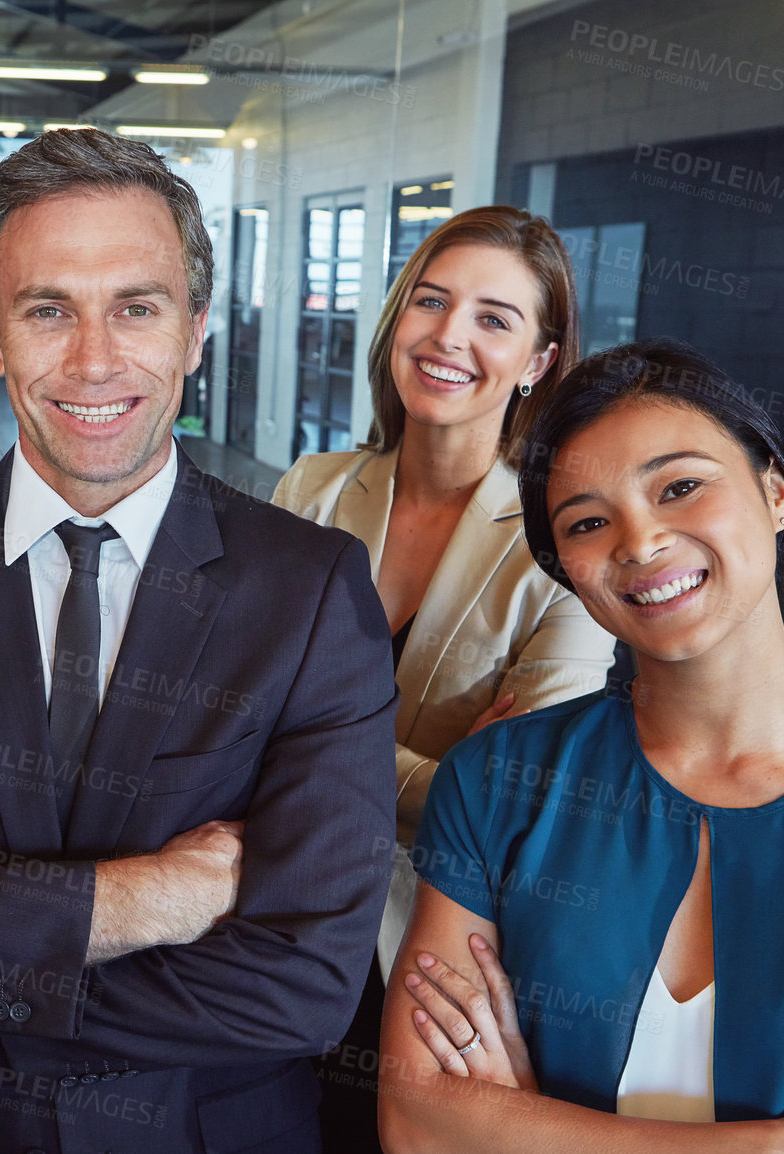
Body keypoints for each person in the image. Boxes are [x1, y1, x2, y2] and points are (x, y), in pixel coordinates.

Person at [0, 127, 398, 1153]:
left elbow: (307, 983)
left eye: (136, 307)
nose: (95, 360)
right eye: (48, 310)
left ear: (194, 331)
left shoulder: (310, 589)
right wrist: (148, 896)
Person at [379, 339, 784, 1152]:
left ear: (776, 491)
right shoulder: (495, 782)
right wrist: (777, 1147)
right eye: (587, 521)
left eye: (679, 486)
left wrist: (522, 1127)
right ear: (567, 571)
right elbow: (418, 1124)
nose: (640, 542)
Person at [272, 205, 615, 1145]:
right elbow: (232, 725)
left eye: (494, 318)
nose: (448, 336)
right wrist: (440, 774)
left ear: (539, 360)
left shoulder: (560, 542)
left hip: (427, 951)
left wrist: (306, 748)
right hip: (268, 908)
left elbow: (516, 799)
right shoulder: (313, 490)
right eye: (431, 301)